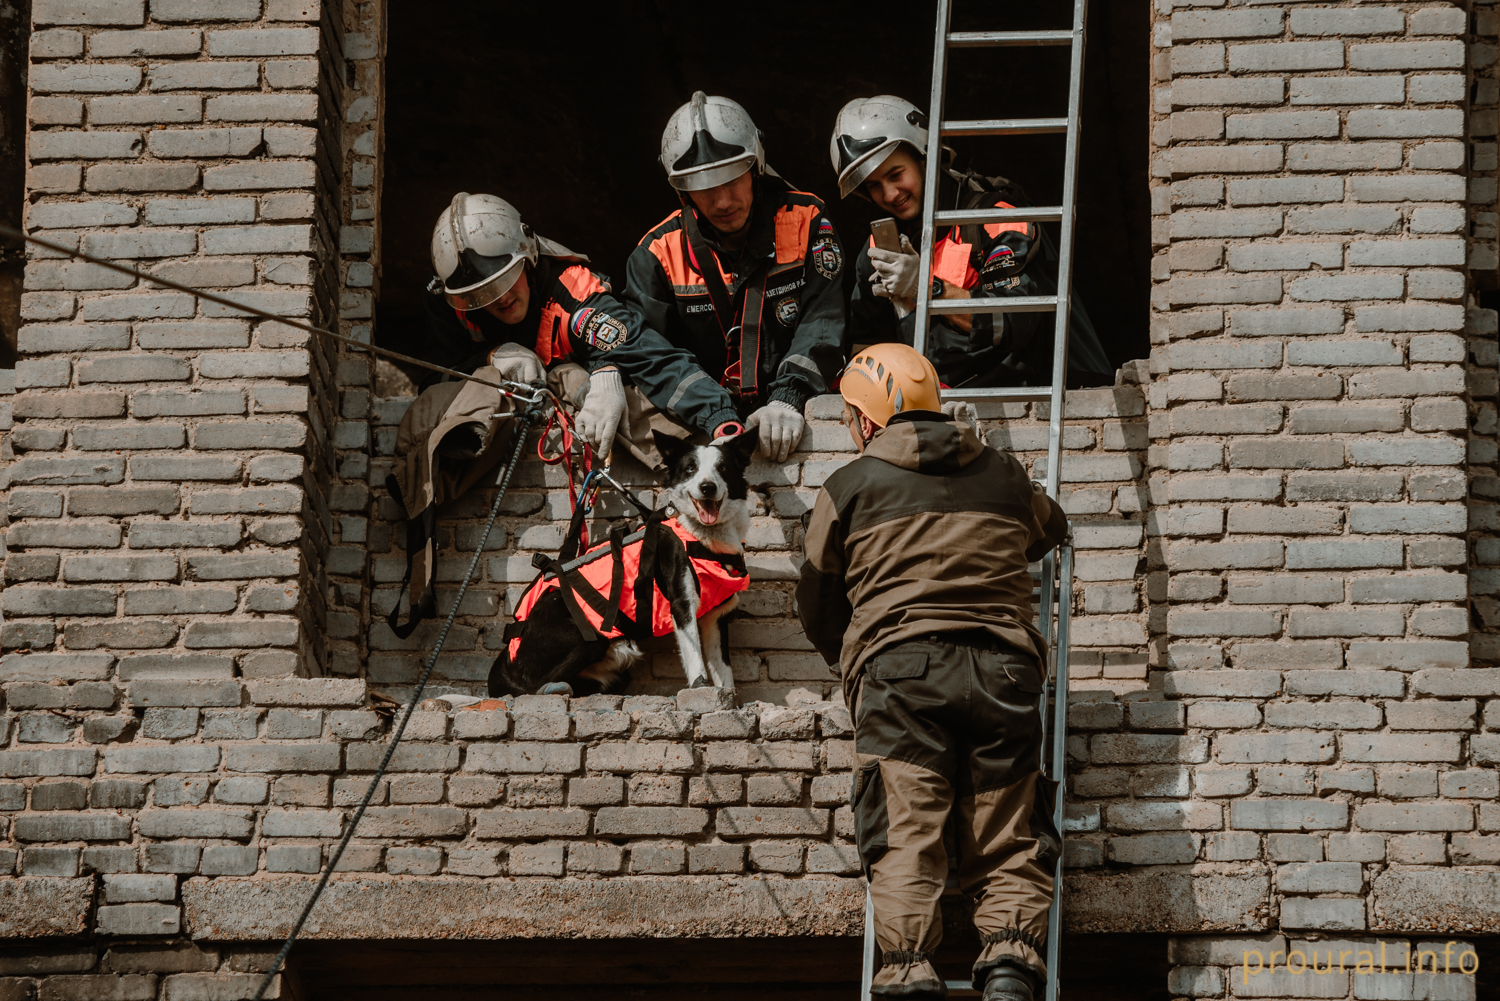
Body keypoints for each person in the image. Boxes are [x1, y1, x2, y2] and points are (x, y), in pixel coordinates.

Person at [796, 343, 1068, 1001]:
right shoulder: (1004, 475)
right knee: (1008, 835)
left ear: (866, 420)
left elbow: (816, 603)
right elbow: (1050, 527)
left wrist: (855, 663)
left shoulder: (847, 486)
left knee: (906, 834)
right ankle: (1009, 969)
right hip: (1005, 673)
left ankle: (911, 974)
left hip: (901, 676)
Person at [387, 193, 662, 636]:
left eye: (504, 282)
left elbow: (631, 335)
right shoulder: (447, 303)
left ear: (526, 256)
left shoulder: (567, 278)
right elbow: (436, 378)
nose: (497, 301)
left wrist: (607, 371)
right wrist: (491, 358)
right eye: (479, 296)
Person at [610, 91, 846, 463]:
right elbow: (650, 353)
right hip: (703, 424)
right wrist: (714, 415)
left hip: (792, 412)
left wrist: (790, 397)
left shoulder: (806, 220)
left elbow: (823, 319)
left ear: (755, 167)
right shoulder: (656, 253)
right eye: (704, 187)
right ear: (681, 190)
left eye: (732, 180)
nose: (722, 201)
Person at [830, 95, 1113, 389]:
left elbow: (1013, 322)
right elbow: (866, 345)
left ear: (925, 157)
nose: (890, 195)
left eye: (896, 174)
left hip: (1017, 403)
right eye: (874, 186)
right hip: (931, 408)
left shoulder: (995, 217)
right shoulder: (879, 248)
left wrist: (924, 286)